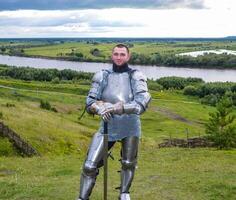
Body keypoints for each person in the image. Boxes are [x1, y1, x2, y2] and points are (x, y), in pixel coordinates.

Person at [78, 44, 151, 200]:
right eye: (116, 54)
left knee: (128, 163)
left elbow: (142, 102)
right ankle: (82, 198)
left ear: (128, 56)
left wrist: (120, 108)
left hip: (130, 125)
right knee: (89, 166)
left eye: (122, 54)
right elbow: (90, 102)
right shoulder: (102, 75)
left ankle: (124, 193)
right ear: (112, 56)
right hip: (107, 125)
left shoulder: (136, 75)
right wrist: (99, 108)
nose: (119, 57)